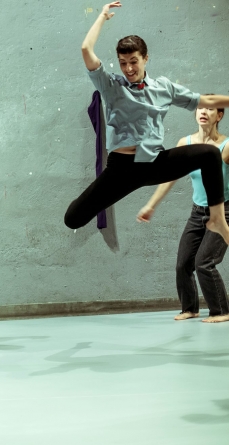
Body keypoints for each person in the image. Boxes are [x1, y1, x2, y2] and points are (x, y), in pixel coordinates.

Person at [65, 1, 229, 246]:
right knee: (73, 219)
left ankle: (217, 218)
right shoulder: (111, 86)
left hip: (154, 162)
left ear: (145, 59)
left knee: (208, 153)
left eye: (133, 61)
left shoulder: (163, 87)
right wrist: (101, 17)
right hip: (122, 168)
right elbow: (86, 49)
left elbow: (205, 100)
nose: (128, 68)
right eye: (123, 62)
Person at [138, 103, 229, 323]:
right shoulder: (185, 144)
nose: (203, 112)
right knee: (183, 263)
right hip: (197, 212)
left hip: (223, 212)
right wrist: (151, 205)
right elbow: (169, 178)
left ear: (219, 115)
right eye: (200, 108)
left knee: (204, 262)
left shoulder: (226, 146)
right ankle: (190, 308)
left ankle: (222, 311)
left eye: (210, 109)